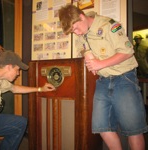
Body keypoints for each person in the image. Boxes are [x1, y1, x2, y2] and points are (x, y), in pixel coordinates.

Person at [58, 4, 148, 150]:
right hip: (103, 82)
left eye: (75, 28)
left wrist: (100, 64)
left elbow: (127, 52)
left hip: (124, 79)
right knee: (102, 127)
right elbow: (81, 46)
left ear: (81, 16)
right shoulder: (82, 32)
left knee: (134, 130)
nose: (77, 33)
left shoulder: (109, 26)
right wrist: (87, 54)